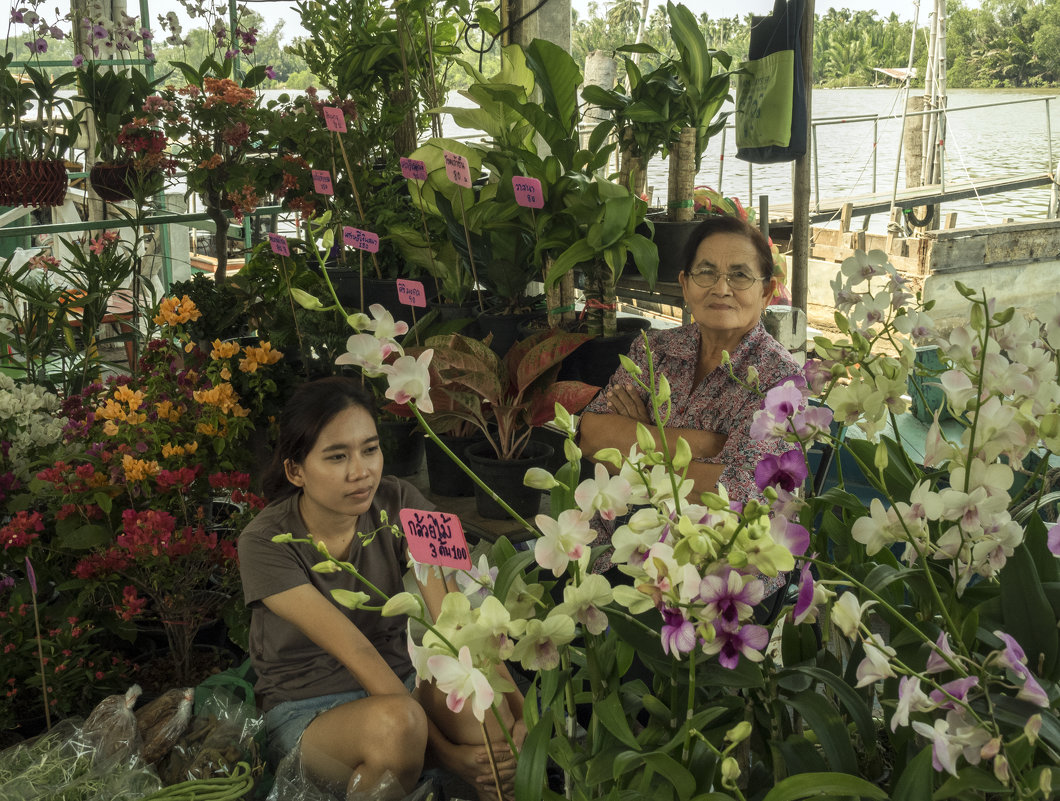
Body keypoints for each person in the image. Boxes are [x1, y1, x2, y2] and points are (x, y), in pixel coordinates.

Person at [238, 377, 525, 800]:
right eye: (337, 457)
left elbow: (458, 625)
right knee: (398, 726)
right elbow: (357, 651)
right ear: (295, 470)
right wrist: (446, 755)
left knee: (483, 709)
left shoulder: (403, 502)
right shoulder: (264, 543)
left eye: (370, 449)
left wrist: (520, 719)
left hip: (401, 686)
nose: (362, 471)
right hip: (311, 711)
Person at [579, 213, 803, 506]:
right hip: (622, 534)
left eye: (739, 275)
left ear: (766, 292)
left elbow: (741, 494)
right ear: (685, 285)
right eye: (706, 272)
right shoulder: (654, 349)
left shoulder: (780, 380)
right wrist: (704, 444)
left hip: (716, 546)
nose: (721, 289)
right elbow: (590, 436)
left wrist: (638, 443)